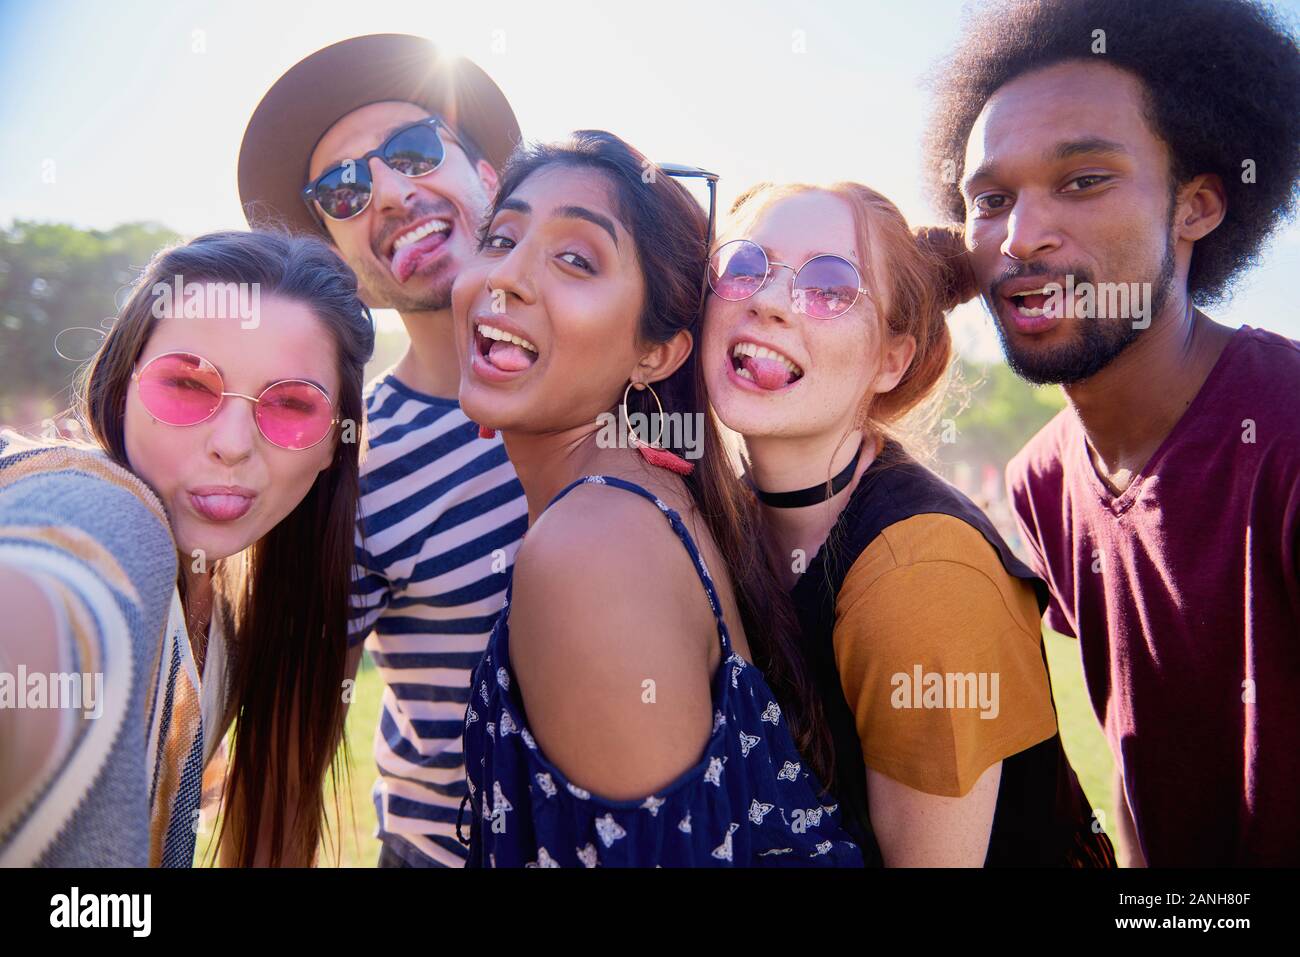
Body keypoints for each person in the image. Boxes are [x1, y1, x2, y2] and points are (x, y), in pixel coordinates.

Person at [924, 0, 1300, 865]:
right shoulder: (1042, 478)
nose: (1020, 237)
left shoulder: (1282, 435)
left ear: (1197, 206)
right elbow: (1133, 770)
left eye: (1084, 180)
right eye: (990, 200)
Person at [451, 131, 863, 866]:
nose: (505, 277)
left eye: (575, 258)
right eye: (500, 235)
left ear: (658, 351)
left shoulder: (593, 546)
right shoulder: (641, 492)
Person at [700, 181, 1113, 866]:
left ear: (892, 358)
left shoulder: (920, 575)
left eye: (830, 286)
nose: (767, 300)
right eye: (745, 266)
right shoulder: (719, 512)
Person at [238, 34, 529, 867]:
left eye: (412, 151)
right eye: (342, 189)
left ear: (489, 177)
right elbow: (288, 755)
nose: (391, 193)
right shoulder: (348, 464)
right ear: (336, 256)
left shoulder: (645, 382)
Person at [0, 230, 374, 866]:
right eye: (187, 386)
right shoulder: (103, 507)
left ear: (336, 441)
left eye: (290, 404)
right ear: (121, 387)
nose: (232, 442)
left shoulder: (231, 619)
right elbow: (53, 586)